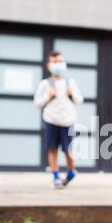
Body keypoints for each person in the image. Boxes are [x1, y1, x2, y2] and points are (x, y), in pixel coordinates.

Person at [34, 51, 83, 189]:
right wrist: (48, 96)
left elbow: (79, 100)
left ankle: (71, 171)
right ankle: (55, 176)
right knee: (52, 149)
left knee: (68, 150)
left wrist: (72, 94)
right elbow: (37, 102)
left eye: (60, 61)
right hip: (51, 120)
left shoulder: (70, 82)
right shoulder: (45, 83)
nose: (58, 65)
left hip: (68, 121)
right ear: (49, 65)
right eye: (54, 62)